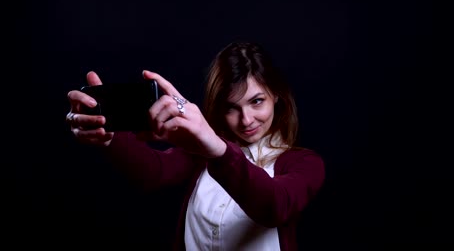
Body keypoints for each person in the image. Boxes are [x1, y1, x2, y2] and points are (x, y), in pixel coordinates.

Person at [66, 41, 325, 251]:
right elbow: (153, 172)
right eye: (231, 108)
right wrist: (108, 134)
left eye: (257, 101)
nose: (246, 120)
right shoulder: (202, 153)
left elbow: (274, 206)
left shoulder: (305, 163)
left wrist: (217, 148)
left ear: (276, 95)